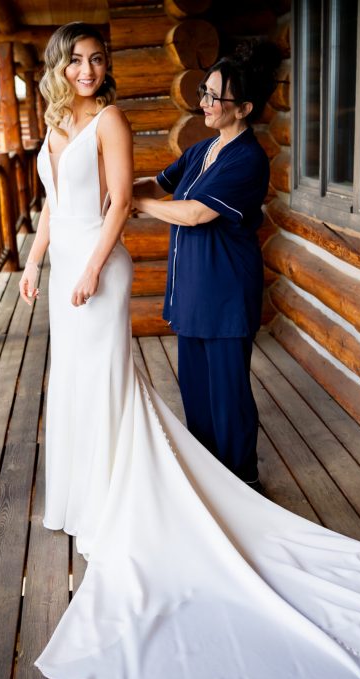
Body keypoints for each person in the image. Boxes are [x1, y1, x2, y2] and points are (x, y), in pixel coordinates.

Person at [21, 23, 360, 679]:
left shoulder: (223, 154)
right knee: (131, 385)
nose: (89, 69)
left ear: (241, 106)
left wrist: (103, 236)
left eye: (99, 59)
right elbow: (76, 201)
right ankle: (95, 488)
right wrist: (37, 261)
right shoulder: (199, 145)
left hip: (124, 273)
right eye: (78, 59)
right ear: (60, 68)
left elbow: (145, 202)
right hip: (79, 267)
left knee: (204, 389)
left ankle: (229, 481)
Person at [131, 43, 275, 489]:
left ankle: (242, 484)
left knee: (228, 397)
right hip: (193, 291)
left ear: (244, 108)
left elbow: (195, 212)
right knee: (196, 394)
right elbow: (157, 183)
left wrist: (138, 206)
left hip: (226, 291)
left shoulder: (248, 159)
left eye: (216, 97)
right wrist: (115, 185)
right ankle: (211, 482)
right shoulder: (202, 150)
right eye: (205, 92)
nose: (206, 103)